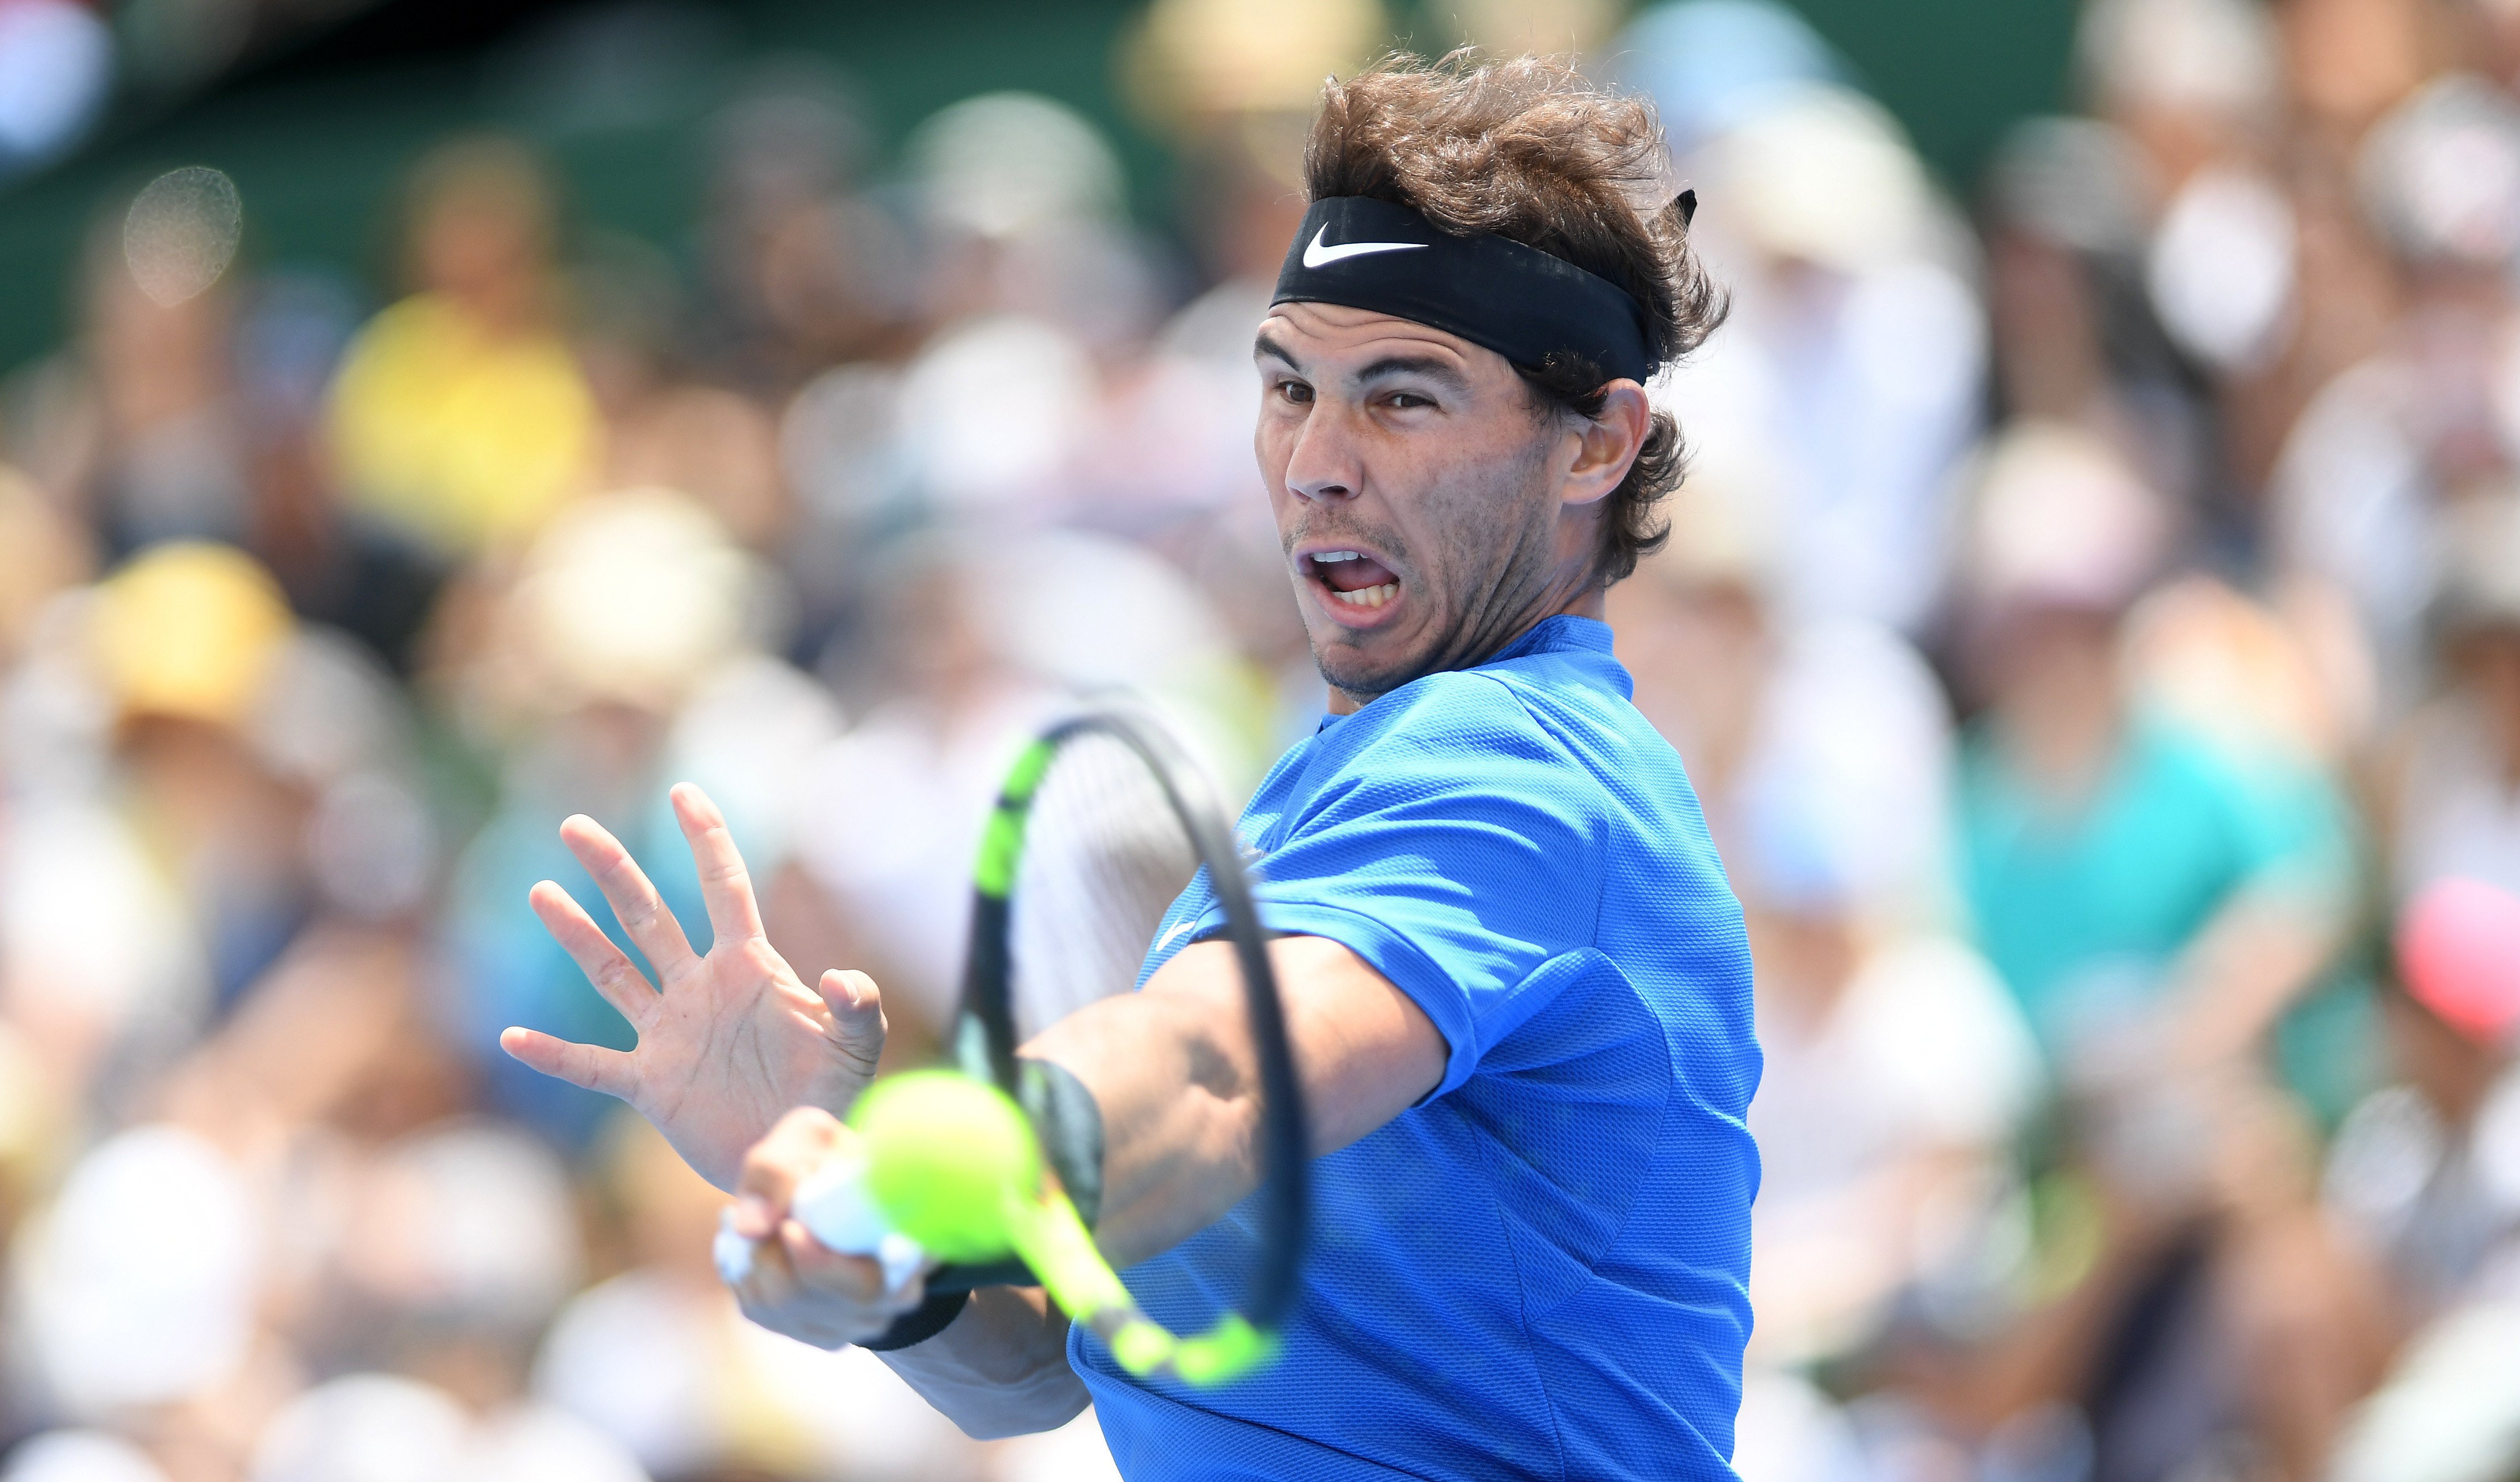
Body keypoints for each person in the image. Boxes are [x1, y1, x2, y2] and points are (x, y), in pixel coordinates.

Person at [499, 53, 1755, 1480]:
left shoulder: (1523, 768)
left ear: (1596, 441)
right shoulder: (1340, 786)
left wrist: (908, 1172)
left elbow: (1219, 1073)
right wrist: (867, 1211)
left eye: (1403, 399)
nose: (1315, 464)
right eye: (1290, 387)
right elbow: (1044, 1370)